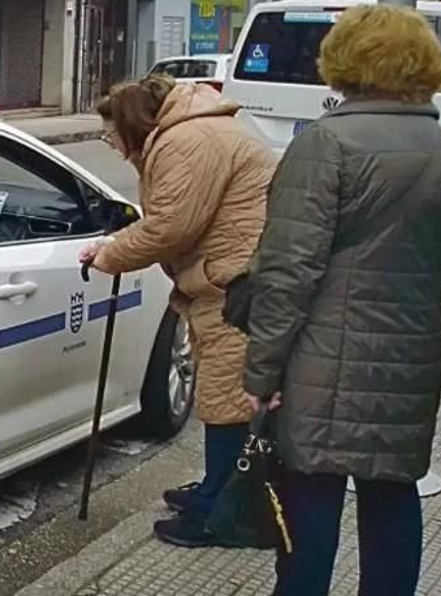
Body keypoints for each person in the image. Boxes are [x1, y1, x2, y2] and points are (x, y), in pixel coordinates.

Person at [243, 4, 441, 596]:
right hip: (411, 355)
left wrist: (262, 371)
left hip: (320, 358)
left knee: (312, 494)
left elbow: (286, 272)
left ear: (341, 62)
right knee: (393, 492)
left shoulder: (325, 145)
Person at [80, 73, 276, 548]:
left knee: (227, 402)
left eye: (111, 134)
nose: (110, 144)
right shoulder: (190, 130)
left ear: (131, 124)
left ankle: (222, 514)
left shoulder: (186, 139)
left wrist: (109, 252)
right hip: (230, 279)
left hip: (237, 285)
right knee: (223, 394)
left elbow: (170, 227)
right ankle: (216, 491)